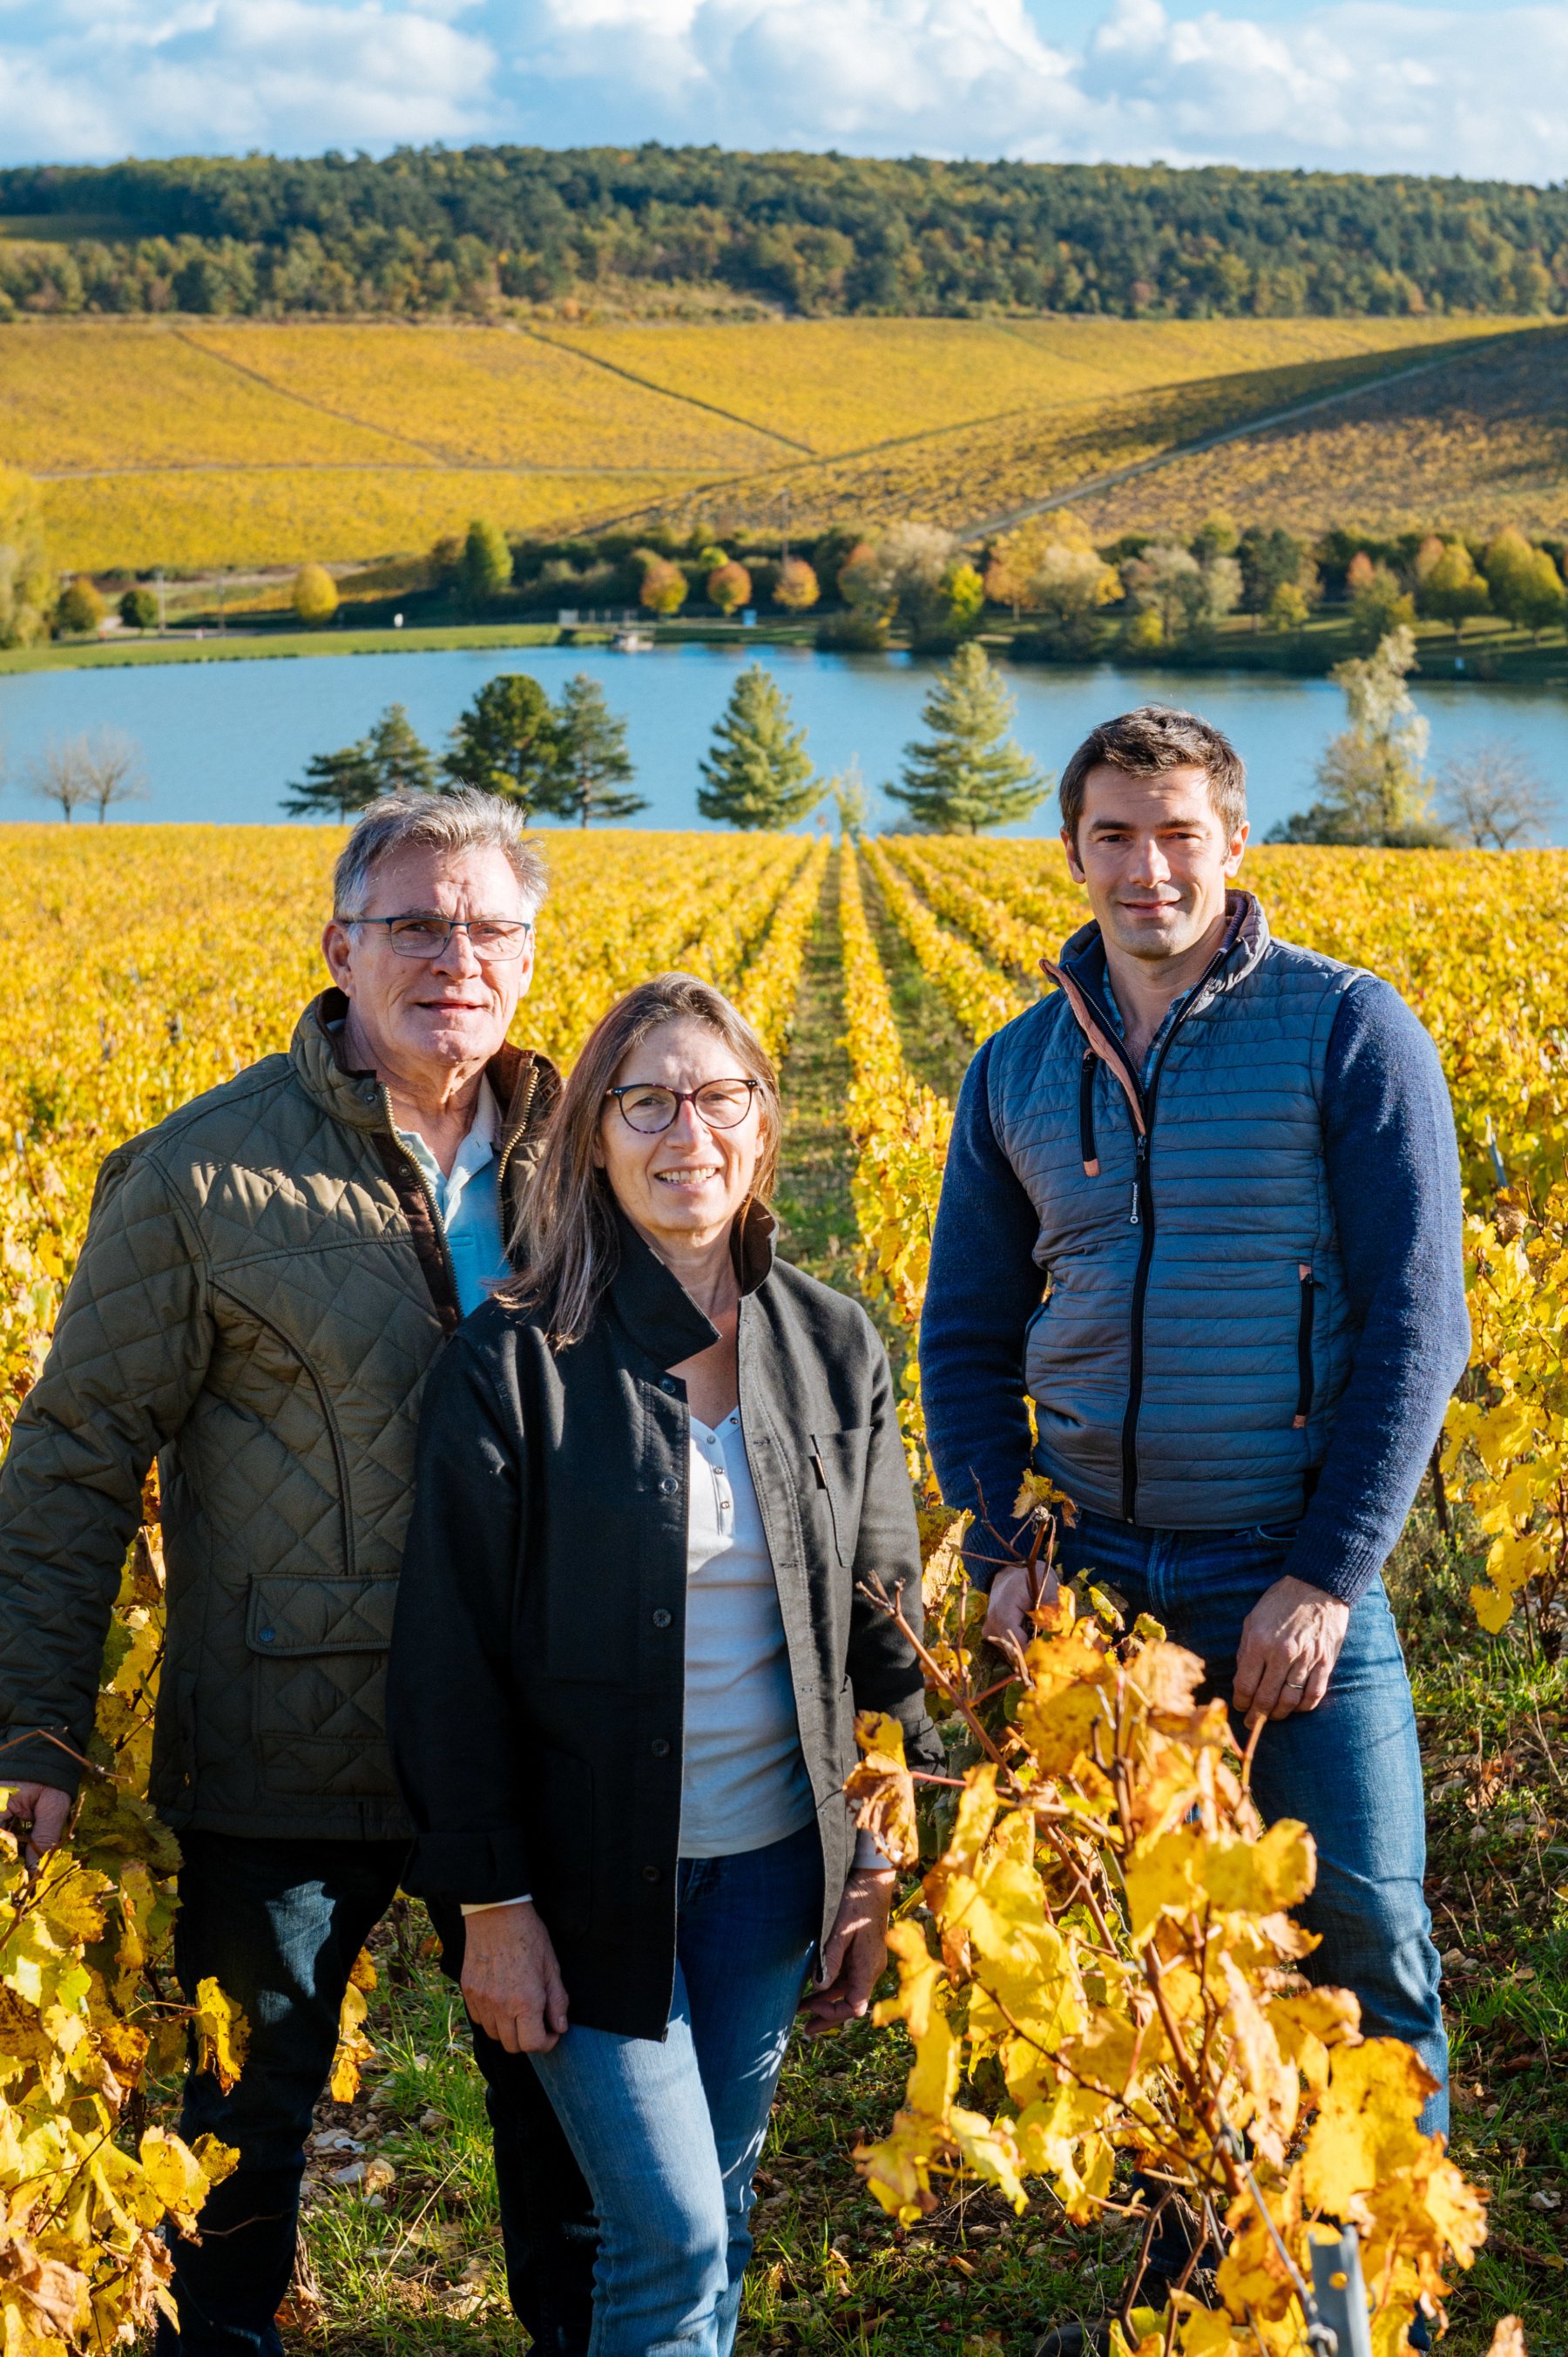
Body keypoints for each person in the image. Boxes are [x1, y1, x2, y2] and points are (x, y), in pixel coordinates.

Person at [0, 789, 597, 2356]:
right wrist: (34, 1728)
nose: (451, 955)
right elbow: (71, 1453)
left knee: (568, 2144)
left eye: (486, 927)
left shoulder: (596, 1160)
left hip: (539, 1740)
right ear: (338, 948)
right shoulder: (197, 1178)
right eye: (413, 923)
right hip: (285, 1738)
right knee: (242, 2140)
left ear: (531, 954)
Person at [921, 706, 1469, 2328]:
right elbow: (963, 1336)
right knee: (1155, 1970)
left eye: (1178, 833)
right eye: (1114, 835)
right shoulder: (1016, 1067)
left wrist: (1326, 1574)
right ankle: (1211, 2295)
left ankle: (1371, 2303)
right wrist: (1003, 1537)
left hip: (1286, 1574)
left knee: (1364, 1945)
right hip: (1098, 1587)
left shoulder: (1348, 1031)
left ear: (1236, 846)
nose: (1147, 866)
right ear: (1073, 853)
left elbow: (1418, 1328)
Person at [389, 971, 942, 2357]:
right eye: (645, 1101)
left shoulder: (831, 1343)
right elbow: (445, 1659)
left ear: (763, 1124)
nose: (683, 1130)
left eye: (716, 1095)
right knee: (675, 2233)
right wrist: (491, 1906)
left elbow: (888, 1631)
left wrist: (873, 1859)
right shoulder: (515, 1359)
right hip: (580, 1883)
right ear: (593, 1136)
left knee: (722, 2214)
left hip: (769, 1868)